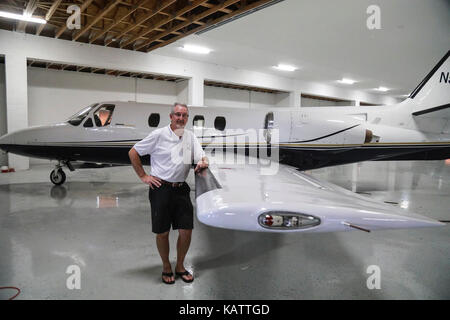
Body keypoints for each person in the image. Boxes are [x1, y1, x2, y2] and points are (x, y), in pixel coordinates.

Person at [128, 103, 208, 285]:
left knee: (186, 231)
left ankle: (180, 266)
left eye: (184, 115)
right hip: (161, 189)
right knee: (162, 232)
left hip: (181, 189)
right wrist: (143, 176)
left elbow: (201, 156)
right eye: (177, 115)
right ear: (171, 116)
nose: (181, 118)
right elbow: (133, 152)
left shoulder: (190, 137)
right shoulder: (159, 135)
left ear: (187, 118)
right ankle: (166, 266)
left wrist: (204, 161)